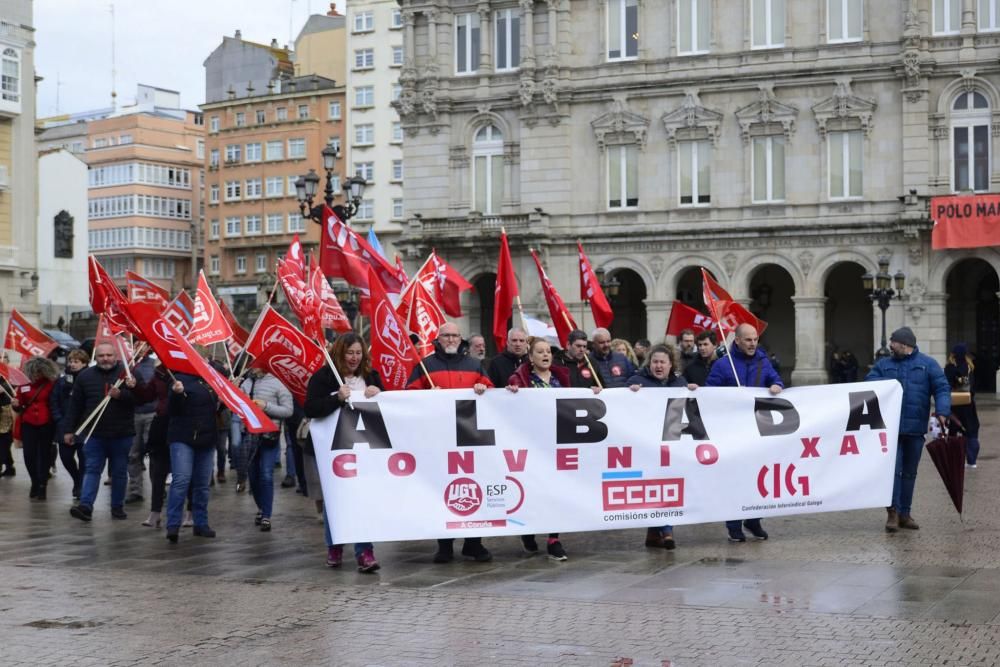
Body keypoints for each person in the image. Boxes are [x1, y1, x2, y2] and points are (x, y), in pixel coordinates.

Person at [407, 322, 494, 563]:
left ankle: (473, 543)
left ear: (461, 339)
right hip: (438, 442)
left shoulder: (475, 365)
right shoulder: (425, 366)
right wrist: (425, 395)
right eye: (446, 336)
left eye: (455, 335)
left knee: (474, 490)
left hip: (470, 441)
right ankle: (444, 545)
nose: (451, 339)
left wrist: (483, 388)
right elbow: (408, 396)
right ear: (438, 339)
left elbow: (494, 397)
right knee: (442, 492)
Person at [304, 332, 384, 572]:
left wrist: (377, 390)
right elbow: (311, 408)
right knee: (334, 499)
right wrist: (336, 399)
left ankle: (365, 552)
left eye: (359, 353)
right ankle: (335, 546)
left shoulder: (370, 376)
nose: (354, 358)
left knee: (363, 499)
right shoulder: (323, 377)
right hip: (332, 450)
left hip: (363, 448)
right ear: (340, 353)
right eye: (350, 353)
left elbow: (387, 400)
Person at [867, 327, 950, 531]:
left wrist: (943, 411)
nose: (890, 345)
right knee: (893, 472)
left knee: (910, 473)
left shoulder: (927, 364)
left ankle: (905, 513)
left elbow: (941, 388)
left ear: (904, 345)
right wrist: (888, 383)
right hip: (890, 429)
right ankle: (892, 513)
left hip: (915, 428)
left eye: (893, 342)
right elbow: (868, 383)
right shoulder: (884, 365)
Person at [706, 324, 783, 542]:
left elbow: (775, 379)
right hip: (731, 432)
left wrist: (777, 385)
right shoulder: (723, 365)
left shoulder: (763, 361)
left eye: (755, 339)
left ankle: (753, 519)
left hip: (756, 430)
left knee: (757, 477)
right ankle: (733, 524)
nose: (752, 344)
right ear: (737, 341)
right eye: (748, 340)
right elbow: (709, 393)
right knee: (734, 478)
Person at [63, 343, 147, 522]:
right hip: (94, 433)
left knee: (118, 472)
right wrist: (69, 430)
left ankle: (117, 506)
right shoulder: (85, 376)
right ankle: (86, 506)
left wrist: (123, 394)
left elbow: (142, 399)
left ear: (115, 355)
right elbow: (75, 405)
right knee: (92, 470)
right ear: (96, 357)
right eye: (101, 356)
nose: (105, 358)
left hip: (122, 433)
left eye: (109, 355)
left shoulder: (128, 374)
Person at [505, 337, 570, 561]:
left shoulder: (562, 377)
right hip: (531, 444)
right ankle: (528, 530)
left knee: (557, 491)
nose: (545, 355)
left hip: (557, 443)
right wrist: (510, 394)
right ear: (530, 357)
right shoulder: (520, 378)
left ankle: (554, 539)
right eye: (540, 352)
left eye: (548, 352)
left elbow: (575, 400)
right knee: (533, 489)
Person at [627, 345, 687, 550]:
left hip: (671, 443)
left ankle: (655, 533)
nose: (658, 366)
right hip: (647, 444)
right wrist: (630, 393)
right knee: (656, 484)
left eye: (663, 362)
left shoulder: (680, 383)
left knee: (668, 482)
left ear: (671, 364)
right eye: (655, 362)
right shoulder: (637, 381)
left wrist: (695, 391)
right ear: (649, 363)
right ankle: (667, 530)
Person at [164, 371, 220, 543]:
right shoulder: (178, 378)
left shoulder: (212, 378)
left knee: (202, 484)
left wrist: (223, 400)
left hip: (206, 436)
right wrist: (176, 394)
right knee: (181, 480)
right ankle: (173, 524)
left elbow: (214, 410)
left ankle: (200, 523)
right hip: (183, 436)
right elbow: (173, 410)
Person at [240, 367, 293, 532]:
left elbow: (288, 410)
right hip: (249, 436)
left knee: (266, 474)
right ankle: (261, 507)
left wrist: (266, 406)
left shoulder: (278, 384)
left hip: (269, 436)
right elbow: (237, 408)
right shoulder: (246, 383)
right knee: (253, 476)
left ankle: (266, 515)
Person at [12, 357, 59, 500]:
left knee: (44, 455)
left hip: (47, 424)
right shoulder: (23, 385)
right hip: (28, 424)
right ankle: (34, 481)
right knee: (29, 455)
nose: (36, 374)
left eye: (39, 371)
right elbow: (19, 407)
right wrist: (15, 404)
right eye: (34, 372)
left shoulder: (51, 384)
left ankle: (42, 486)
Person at [50, 348, 90, 500]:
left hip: (84, 426)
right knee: (66, 457)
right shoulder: (61, 381)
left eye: (77, 362)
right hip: (65, 425)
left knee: (84, 458)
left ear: (84, 363)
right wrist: (59, 419)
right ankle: (77, 480)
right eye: (71, 361)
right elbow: (54, 401)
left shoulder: (88, 378)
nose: (72, 364)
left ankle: (80, 485)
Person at [125, 352, 156, 504]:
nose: (138, 347)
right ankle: (135, 490)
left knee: (154, 453)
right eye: (135, 344)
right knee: (133, 454)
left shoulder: (154, 365)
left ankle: (158, 488)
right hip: (134, 414)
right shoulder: (127, 364)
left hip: (152, 413)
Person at [945, 343, 981, 468]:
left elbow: (946, 385)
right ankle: (972, 461)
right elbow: (973, 388)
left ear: (953, 354)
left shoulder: (949, 367)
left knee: (953, 431)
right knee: (972, 431)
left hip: (954, 404)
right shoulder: (969, 367)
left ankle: (954, 460)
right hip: (968, 404)